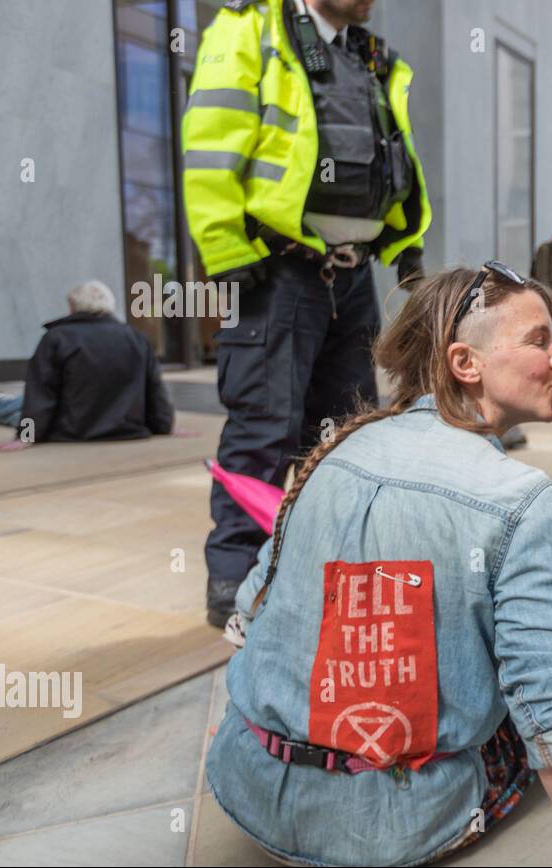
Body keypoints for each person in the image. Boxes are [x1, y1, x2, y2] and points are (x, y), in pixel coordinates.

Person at [206, 264, 552, 866]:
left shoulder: (339, 447)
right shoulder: (519, 498)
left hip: (252, 789)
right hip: (394, 825)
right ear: (465, 363)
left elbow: (249, 613)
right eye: (540, 339)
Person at [185, 0, 432, 628]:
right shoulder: (251, 30)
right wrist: (226, 250)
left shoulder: (366, 56)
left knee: (346, 432)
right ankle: (235, 574)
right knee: (263, 428)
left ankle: (328, 564)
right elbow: (211, 144)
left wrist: (407, 248)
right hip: (276, 271)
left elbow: (388, 157)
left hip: (350, 278)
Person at [0, 281, 174, 443]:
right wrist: (164, 426)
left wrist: (26, 436)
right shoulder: (137, 338)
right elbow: (155, 389)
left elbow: (39, 394)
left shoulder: (57, 338)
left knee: (21, 407)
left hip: (71, 429)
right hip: (125, 428)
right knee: (21, 405)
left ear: (72, 305)